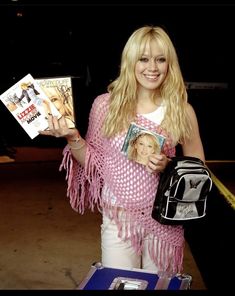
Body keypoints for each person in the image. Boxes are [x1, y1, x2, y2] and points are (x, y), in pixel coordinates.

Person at [40, 26, 205, 276]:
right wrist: (73, 137)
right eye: (144, 59)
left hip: (164, 219)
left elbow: (197, 168)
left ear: (170, 64)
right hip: (118, 217)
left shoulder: (182, 110)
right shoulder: (105, 105)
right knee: (118, 283)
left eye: (161, 59)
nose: (153, 67)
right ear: (130, 61)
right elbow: (94, 164)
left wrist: (168, 165)